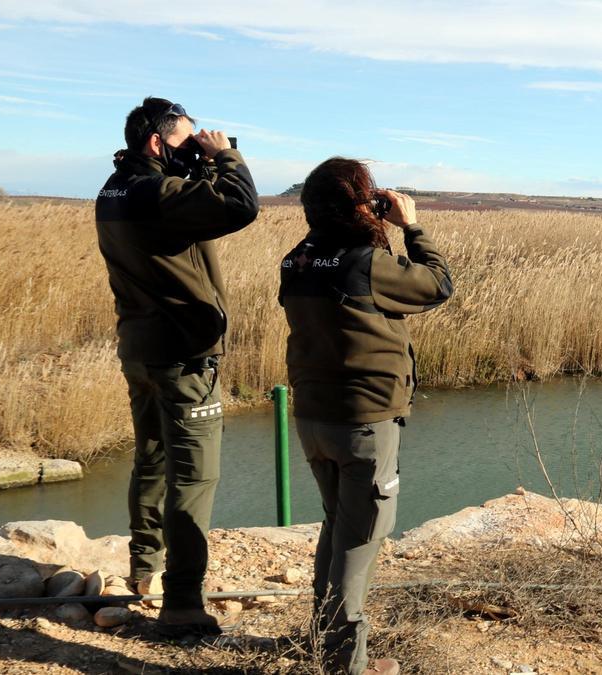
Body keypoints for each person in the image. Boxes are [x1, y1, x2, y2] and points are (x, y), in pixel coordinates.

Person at [278, 158, 452, 675]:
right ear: (360, 204)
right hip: (365, 422)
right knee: (362, 537)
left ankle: (321, 641)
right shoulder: (366, 263)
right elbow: (437, 285)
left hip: (313, 418)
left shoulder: (296, 260)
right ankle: (343, 664)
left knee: (336, 524)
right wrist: (411, 226)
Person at [95, 96, 259, 634]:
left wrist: (197, 160)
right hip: (182, 356)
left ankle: (144, 569)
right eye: (188, 140)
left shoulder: (115, 189)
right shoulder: (159, 193)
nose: (198, 148)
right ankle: (183, 602)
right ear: (155, 142)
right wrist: (226, 159)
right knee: (194, 475)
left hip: (139, 349)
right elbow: (240, 207)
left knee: (152, 457)